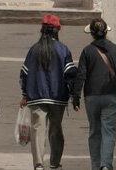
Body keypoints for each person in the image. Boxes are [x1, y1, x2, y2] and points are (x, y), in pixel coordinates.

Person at [19, 14, 77, 170]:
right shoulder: (63, 49)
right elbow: (70, 74)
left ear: (42, 30)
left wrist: (25, 94)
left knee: (37, 129)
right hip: (58, 98)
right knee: (56, 129)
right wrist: (73, 95)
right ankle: (55, 162)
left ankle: (38, 164)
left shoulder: (34, 50)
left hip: (36, 96)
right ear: (56, 31)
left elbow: (24, 74)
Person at [72, 19, 116, 170]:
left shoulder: (87, 51)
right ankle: (106, 165)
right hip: (112, 96)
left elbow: (81, 75)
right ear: (106, 32)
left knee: (94, 131)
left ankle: (95, 166)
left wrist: (76, 96)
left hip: (91, 97)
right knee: (109, 131)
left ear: (91, 34)